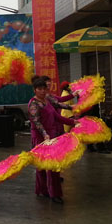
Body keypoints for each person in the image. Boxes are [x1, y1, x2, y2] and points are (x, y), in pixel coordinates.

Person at [28, 75, 75, 204]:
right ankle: (43, 190)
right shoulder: (33, 103)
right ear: (35, 90)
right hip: (41, 139)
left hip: (52, 137)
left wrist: (73, 121)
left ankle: (55, 193)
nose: (43, 91)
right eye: (40, 89)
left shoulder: (47, 101)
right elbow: (36, 122)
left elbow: (57, 116)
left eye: (44, 88)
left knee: (53, 166)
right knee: (42, 167)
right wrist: (44, 134)